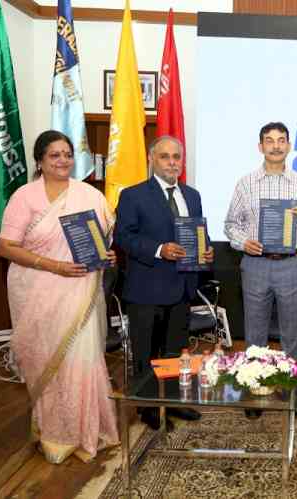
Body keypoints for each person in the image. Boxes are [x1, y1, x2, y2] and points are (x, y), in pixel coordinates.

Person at [0, 130, 119, 464]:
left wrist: (109, 257)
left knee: (82, 360)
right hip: (37, 289)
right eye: (55, 155)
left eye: (67, 154)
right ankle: (54, 431)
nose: (64, 160)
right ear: (40, 160)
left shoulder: (89, 195)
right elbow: (6, 246)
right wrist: (53, 265)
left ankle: (86, 430)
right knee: (44, 360)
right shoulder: (24, 196)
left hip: (80, 291)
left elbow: (103, 245)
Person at [115, 135, 214, 430]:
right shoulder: (133, 195)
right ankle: (149, 408)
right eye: (165, 157)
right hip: (147, 287)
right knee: (146, 353)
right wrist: (160, 250)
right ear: (151, 159)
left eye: (176, 157)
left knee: (175, 352)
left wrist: (207, 249)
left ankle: (172, 402)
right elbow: (124, 237)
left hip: (183, 287)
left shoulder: (192, 195)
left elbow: (199, 233)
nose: (172, 162)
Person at [224, 122, 297, 418]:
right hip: (255, 264)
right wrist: (245, 242)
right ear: (260, 146)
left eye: (281, 140)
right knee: (254, 334)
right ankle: (257, 392)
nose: (276, 146)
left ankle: (292, 394)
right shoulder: (246, 183)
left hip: (291, 264)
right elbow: (230, 226)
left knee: (291, 335)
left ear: (289, 146)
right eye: (270, 141)